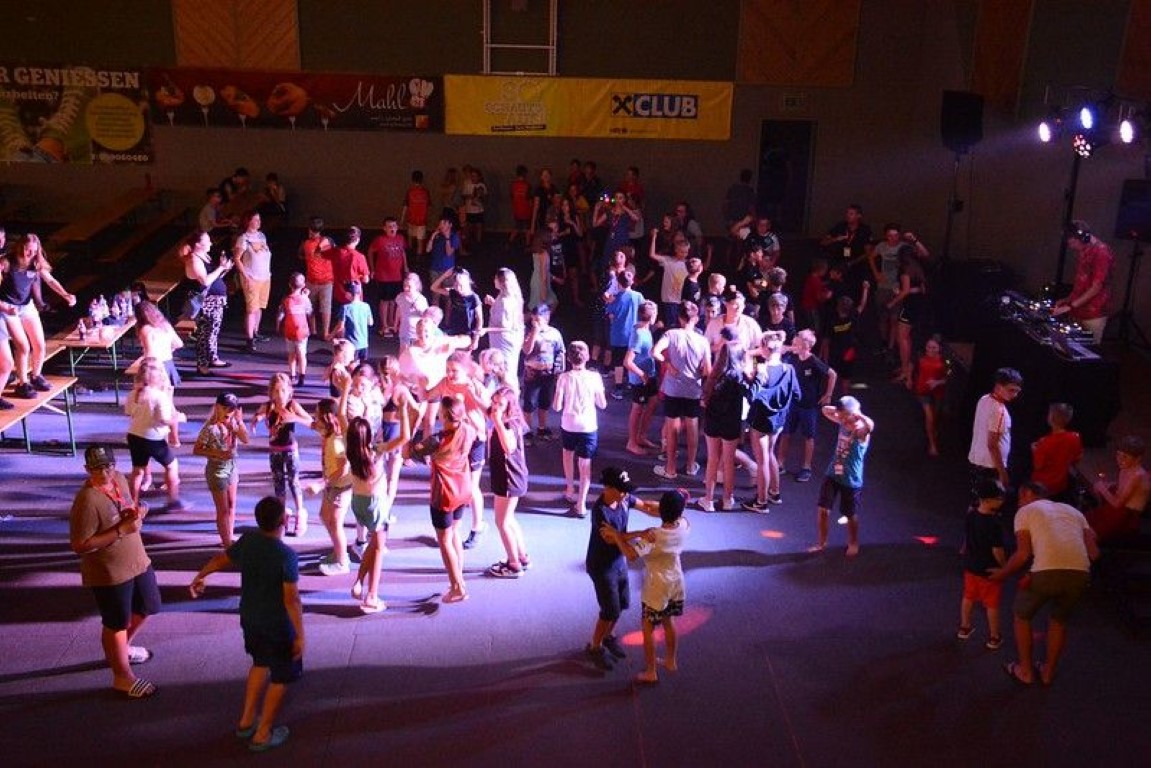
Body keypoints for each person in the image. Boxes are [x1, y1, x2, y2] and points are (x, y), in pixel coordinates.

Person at [189, 496, 304, 751]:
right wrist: (300, 635)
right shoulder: (286, 556)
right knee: (281, 676)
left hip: (250, 617)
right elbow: (291, 599)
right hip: (276, 624)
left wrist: (201, 575)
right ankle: (263, 733)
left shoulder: (249, 540)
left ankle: (246, 720)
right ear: (284, 521)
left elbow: (221, 559)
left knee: (259, 663)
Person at [69, 445, 161, 700]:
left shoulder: (119, 479)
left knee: (148, 605)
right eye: (97, 468)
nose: (105, 473)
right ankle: (122, 677)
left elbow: (126, 509)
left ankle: (119, 651)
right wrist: (120, 531)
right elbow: (80, 545)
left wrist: (137, 513)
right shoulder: (87, 501)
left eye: (108, 466)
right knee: (116, 621)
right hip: (109, 571)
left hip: (137, 559)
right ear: (87, 470)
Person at [990, 482, 1100, 686]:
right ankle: (1048, 672)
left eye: (1020, 498)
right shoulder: (1074, 512)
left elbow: (1023, 554)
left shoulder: (1025, 511)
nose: (1018, 504)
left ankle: (1025, 671)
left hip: (1045, 574)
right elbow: (1094, 553)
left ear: (1027, 493)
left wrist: (1001, 575)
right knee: (1058, 621)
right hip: (1080, 574)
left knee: (1021, 616)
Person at [606, 490, 690, 684]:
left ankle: (651, 672)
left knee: (648, 627)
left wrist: (617, 536)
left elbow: (631, 554)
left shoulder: (653, 536)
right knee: (668, 621)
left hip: (656, 589)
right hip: (676, 582)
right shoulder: (684, 525)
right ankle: (670, 660)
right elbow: (669, 511)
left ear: (662, 510)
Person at [583, 466, 660, 671]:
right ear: (608, 488)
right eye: (622, 489)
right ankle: (595, 647)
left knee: (622, 604)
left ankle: (609, 635)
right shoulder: (600, 511)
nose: (626, 493)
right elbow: (611, 538)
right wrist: (640, 533)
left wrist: (669, 511)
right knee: (609, 610)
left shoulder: (624, 499)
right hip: (602, 566)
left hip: (618, 562)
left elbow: (647, 506)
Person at [410, 395, 478, 604]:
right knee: (455, 533)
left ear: (446, 416)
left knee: (445, 541)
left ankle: (457, 587)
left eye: (440, 412)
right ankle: (459, 577)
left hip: (444, 493)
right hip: (463, 488)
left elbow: (409, 452)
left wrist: (412, 422)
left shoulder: (437, 440)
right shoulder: (469, 430)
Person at [343, 406, 409, 614]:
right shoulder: (376, 451)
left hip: (358, 503)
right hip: (376, 505)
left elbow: (341, 415)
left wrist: (345, 392)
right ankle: (372, 595)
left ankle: (359, 582)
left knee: (372, 543)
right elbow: (405, 437)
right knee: (379, 548)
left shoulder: (350, 451)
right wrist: (404, 409)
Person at [1, 233, 77, 398]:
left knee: (40, 344)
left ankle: (36, 376)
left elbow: (50, 281)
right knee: (23, 346)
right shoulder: (7, 262)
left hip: (26, 306)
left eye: (34, 251)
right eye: (27, 250)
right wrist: (5, 308)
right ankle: (22, 383)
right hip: (9, 308)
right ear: (20, 247)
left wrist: (66, 295)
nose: (30, 254)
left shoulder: (35, 263)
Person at [652, 302, 712, 480]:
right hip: (693, 389)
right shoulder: (703, 341)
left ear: (679, 317)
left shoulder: (671, 334)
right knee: (692, 426)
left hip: (673, 389)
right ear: (696, 319)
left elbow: (655, 352)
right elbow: (707, 370)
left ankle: (670, 468)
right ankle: (691, 466)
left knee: (672, 428)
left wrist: (668, 364)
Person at [741, 331, 800, 510]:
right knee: (770, 453)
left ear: (764, 349)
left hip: (760, 420)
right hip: (779, 420)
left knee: (762, 461)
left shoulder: (762, 369)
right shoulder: (789, 369)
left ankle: (761, 502)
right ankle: (775, 492)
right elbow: (797, 394)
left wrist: (752, 378)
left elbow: (751, 396)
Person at [811, 396, 874, 557]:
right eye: (841, 416)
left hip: (851, 479)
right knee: (823, 509)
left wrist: (858, 416)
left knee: (849, 514)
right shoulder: (843, 422)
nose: (841, 419)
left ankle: (853, 543)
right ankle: (822, 543)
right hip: (833, 473)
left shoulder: (860, 431)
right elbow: (825, 410)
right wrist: (841, 413)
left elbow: (870, 426)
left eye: (844, 416)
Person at [252, 373, 313, 536]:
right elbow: (258, 414)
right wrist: (257, 419)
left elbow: (310, 421)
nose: (280, 395)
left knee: (294, 482)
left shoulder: (292, 405)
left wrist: (294, 418)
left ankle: (300, 513)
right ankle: (282, 514)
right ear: (271, 392)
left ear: (289, 391)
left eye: (283, 391)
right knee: (278, 483)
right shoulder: (268, 406)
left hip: (290, 450)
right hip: (275, 451)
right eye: (277, 391)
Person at [554, 341, 607, 518]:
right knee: (585, 464)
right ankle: (581, 504)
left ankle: (570, 489)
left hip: (569, 424)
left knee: (567, 454)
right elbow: (602, 404)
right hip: (588, 425)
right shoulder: (595, 377)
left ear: (569, 358)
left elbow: (556, 406)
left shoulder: (563, 378)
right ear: (587, 357)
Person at [125, 358, 185, 509]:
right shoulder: (159, 396)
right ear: (158, 378)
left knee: (138, 470)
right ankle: (173, 500)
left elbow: (128, 412)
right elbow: (164, 419)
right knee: (172, 466)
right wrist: (177, 418)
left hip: (134, 435)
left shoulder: (132, 394)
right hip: (153, 438)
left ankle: (133, 504)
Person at [777, 329, 837, 483]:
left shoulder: (813, 361)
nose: (795, 338)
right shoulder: (792, 357)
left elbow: (832, 374)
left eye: (799, 337)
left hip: (809, 406)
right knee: (786, 433)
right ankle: (780, 463)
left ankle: (806, 467)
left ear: (807, 344)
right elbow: (781, 349)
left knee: (809, 437)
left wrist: (828, 395)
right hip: (792, 403)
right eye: (796, 337)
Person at [193, 392, 250, 548]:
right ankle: (227, 545)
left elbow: (246, 439)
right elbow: (197, 449)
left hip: (232, 467)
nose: (228, 412)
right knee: (223, 509)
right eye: (225, 408)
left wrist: (239, 424)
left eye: (232, 409)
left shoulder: (233, 423)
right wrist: (217, 453)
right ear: (217, 407)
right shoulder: (210, 428)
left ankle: (229, 536)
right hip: (216, 469)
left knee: (231, 504)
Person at [486, 386, 532, 578]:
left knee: (502, 522)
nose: (495, 407)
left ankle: (513, 565)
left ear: (509, 406)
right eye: (494, 402)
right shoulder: (511, 421)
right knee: (509, 519)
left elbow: (508, 447)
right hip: (509, 476)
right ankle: (522, 556)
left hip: (508, 478)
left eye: (500, 404)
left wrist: (497, 422)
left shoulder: (508, 425)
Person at [957, 478, 1008, 650]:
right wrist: (1004, 567)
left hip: (970, 566)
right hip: (989, 570)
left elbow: (967, 537)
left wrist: (964, 550)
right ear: (987, 500)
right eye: (999, 498)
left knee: (968, 597)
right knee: (991, 604)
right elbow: (997, 550)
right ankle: (994, 636)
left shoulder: (971, 515)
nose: (1002, 500)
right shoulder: (994, 523)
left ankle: (964, 627)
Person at [700, 341, 748, 512]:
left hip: (713, 421)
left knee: (712, 459)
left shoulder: (714, 375)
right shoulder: (741, 377)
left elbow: (704, 401)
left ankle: (708, 500)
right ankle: (727, 499)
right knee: (728, 462)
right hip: (732, 422)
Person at [1052, 220, 1114, 344]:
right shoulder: (1084, 250)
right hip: (1078, 309)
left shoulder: (1101, 252)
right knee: (1069, 346)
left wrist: (1070, 306)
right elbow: (1082, 281)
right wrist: (1068, 299)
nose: (1071, 246)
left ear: (1084, 238)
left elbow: (1096, 287)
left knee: (1086, 350)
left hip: (1093, 313)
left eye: (1072, 242)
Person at [181, 230, 234, 375]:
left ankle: (213, 357)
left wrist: (224, 269)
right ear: (198, 244)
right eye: (207, 240)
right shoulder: (194, 260)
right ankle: (202, 365)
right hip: (205, 302)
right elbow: (205, 281)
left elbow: (214, 278)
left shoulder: (204, 256)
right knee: (204, 333)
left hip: (215, 301)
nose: (211, 243)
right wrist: (220, 268)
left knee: (213, 331)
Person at [968, 367, 1023, 492]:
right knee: (991, 500)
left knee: (979, 497)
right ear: (998, 387)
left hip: (977, 461)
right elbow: (992, 444)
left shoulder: (984, 399)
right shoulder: (999, 411)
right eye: (1011, 390)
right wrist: (1002, 473)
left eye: (1017, 391)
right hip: (990, 466)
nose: (1015, 395)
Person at [1088, 435, 1150, 543]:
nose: (1119, 460)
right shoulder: (1125, 469)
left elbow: (1118, 504)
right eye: (1118, 455)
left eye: (1125, 457)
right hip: (1118, 508)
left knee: (1090, 533)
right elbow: (1122, 487)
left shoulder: (1137, 475)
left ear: (1137, 459)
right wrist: (1109, 485)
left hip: (1127, 514)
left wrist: (1102, 488)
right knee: (1083, 520)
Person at [521, 304, 565, 442]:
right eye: (533, 319)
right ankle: (527, 431)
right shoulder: (528, 332)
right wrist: (534, 333)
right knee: (529, 403)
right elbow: (526, 350)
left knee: (545, 402)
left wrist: (559, 372)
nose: (535, 322)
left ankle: (542, 428)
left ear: (546, 318)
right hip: (532, 373)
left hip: (548, 373)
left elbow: (560, 352)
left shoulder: (554, 333)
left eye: (538, 320)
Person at [886, 245, 928, 385]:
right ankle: (906, 368)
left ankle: (905, 371)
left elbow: (905, 291)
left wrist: (892, 302)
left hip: (910, 306)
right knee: (907, 338)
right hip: (919, 304)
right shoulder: (918, 268)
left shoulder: (905, 270)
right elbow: (921, 288)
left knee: (902, 337)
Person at [623, 300, 660, 456]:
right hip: (640, 379)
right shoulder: (638, 334)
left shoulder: (645, 329)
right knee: (637, 408)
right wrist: (641, 374)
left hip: (650, 375)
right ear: (652, 317)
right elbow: (627, 362)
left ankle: (641, 436)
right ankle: (631, 442)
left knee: (653, 402)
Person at [233, 211, 273, 351]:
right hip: (251, 277)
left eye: (259, 219)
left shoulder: (261, 236)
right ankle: (249, 340)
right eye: (255, 219)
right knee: (251, 309)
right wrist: (246, 276)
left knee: (259, 306)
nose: (258, 222)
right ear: (248, 221)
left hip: (265, 277)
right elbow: (237, 258)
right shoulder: (243, 239)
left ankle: (256, 332)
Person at [1030, 403, 1083, 501]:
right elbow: (1077, 458)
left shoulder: (1044, 442)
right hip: (1061, 485)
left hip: (1042, 486)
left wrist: (1034, 450)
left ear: (1051, 418)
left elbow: (1038, 465)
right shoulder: (1075, 437)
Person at [605, 268, 643, 400]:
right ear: (632, 282)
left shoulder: (615, 299)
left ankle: (619, 388)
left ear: (619, 283)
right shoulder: (638, 296)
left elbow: (610, 315)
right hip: (634, 335)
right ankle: (632, 385)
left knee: (618, 362)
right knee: (632, 360)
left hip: (619, 335)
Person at [368, 217, 408, 337]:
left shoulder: (401, 238)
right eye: (389, 226)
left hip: (397, 275)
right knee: (384, 300)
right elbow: (370, 251)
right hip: (383, 276)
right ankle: (384, 326)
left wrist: (406, 267)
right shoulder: (380, 240)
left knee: (394, 301)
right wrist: (372, 268)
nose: (392, 229)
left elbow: (403, 252)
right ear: (384, 228)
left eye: (394, 226)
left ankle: (391, 323)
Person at [482, 267, 525, 377]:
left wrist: (486, 330)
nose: (494, 280)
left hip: (503, 341)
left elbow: (507, 327)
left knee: (505, 371)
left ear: (501, 282)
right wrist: (493, 304)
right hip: (504, 339)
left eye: (496, 278)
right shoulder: (506, 296)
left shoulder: (505, 301)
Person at [323, 227, 370, 324]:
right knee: (353, 320)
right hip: (354, 292)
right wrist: (358, 276)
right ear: (357, 240)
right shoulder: (359, 257)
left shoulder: (336, 252)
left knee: (340, 320)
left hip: (339, 290)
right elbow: (366, 279)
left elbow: (322, 252)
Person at [911, 335, 948, 457]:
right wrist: (909, 379)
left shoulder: (945, 360)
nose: (930, 350)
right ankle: (932, 444)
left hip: (938, 391)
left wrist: (938, 382)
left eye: (934, 348)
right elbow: (913, 367)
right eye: (928, 347)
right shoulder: (920, 357)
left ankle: (932, 432)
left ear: (939, 348)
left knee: (936, 416)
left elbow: (950, 377)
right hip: (922, 390)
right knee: (929, 416)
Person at [299, 217, 335, 340]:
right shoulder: (313, 243)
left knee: (317, 307)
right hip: (318, 280)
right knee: (319, 307)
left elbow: (301, 255)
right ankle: (320, 332)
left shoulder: (312, 243)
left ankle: (318, 331)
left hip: (321, 280)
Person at [133, 299, 183, 387]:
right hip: (168, 363)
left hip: (155, 366)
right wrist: (168, 350)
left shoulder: (146, 329)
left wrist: (142, 366)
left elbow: (150, 353)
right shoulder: (164, 324)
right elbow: (179, 344)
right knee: (167, 393)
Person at [276, 272, 313, 386]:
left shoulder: (286, 300)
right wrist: (313, 328)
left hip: (289, 331)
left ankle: (292, 376)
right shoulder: (305, 299)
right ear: (303, 285)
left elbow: (280, 315)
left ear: (289, 285)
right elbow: (310, 314)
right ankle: (301, 377)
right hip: (302, 331)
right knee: (302, 355)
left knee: (291, 355)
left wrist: (278, 326)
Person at [332, 280, 372, 362]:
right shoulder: (366, 306)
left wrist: (331, 335)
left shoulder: (345, 308)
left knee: (352, 365)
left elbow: (340, 326)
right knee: (362, 366)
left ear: (348, 294)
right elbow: (370, 322)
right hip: (364, 343)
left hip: (352, 345)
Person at [426, 215, 460, 308]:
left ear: (450, 225)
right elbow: (428, 249)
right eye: (440, 223)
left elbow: (449, 253)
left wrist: (447, 238)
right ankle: (435, 316)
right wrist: (432, 237)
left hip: (447, 270)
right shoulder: (436, 235)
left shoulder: (454, 236)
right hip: (434, 269)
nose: (441, 225)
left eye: (444, 223)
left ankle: (447, 317)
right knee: (435, 295)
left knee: (448, 296)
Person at [395, 272, 429, 352]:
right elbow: (399, 310)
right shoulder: (400, 297)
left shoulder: (421, 299)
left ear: (416, 286)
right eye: (404, 286)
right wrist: (395, 324)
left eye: (409, 286)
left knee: (417, 352)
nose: (406, 288)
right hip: (404, 330)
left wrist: (419, 309)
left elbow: (426, 316)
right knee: (403, 351)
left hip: (417, 332)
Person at [400, 170, 431, 255]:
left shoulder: (410, 191)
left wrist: (402, 219)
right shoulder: (425, 192)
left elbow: (405, 206)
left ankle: (410, 255)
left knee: (410, 238)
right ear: (422, 179)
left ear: (412, 179)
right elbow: (429, 207)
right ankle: (418, 259)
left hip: (411, 218)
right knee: (420, 242)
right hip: (422, 220)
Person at [509, 164, 533, 247]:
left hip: (517, 210)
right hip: (526, 211)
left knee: (517, 227)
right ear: (525, 174)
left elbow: (512, 197)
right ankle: (527, 244)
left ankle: (509, 242)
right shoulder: (527, 185)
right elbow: (530, 200)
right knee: (527, 228)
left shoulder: (513, 185)